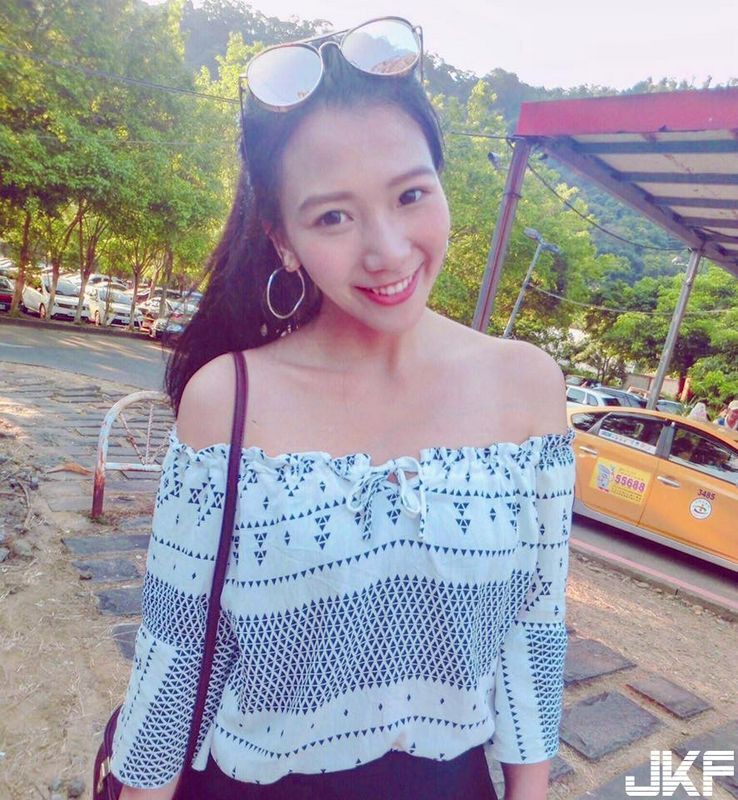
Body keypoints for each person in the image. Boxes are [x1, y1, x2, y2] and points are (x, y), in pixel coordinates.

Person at [109, 17, 573, 800]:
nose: (386, 250)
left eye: (410, 194)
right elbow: (178, 658)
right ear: (282, 238)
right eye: (333, 216)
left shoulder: (527, 387)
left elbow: (533, 629)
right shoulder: (229, 399)